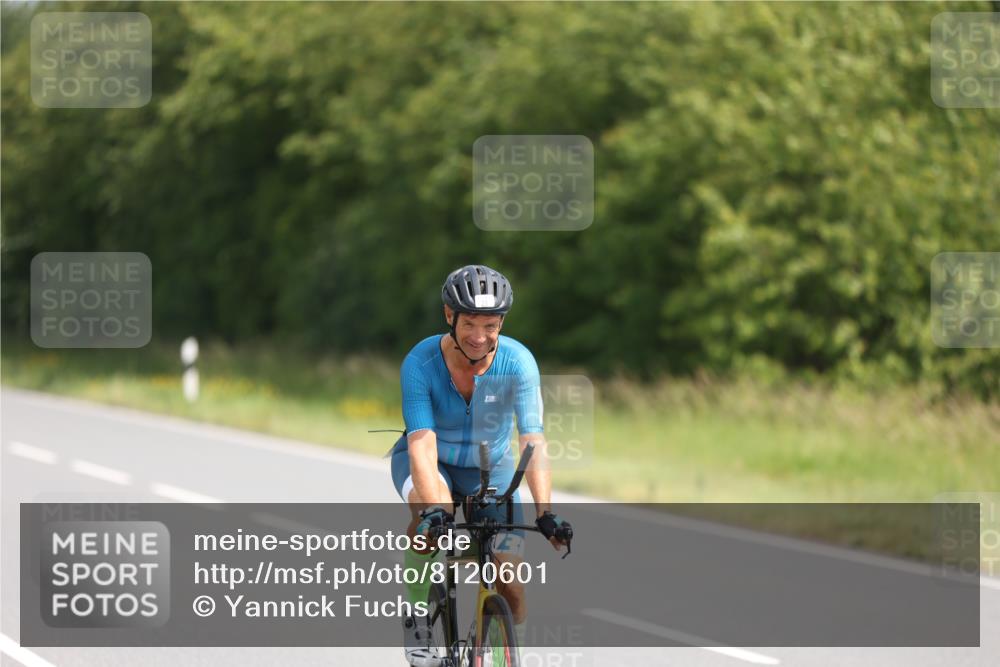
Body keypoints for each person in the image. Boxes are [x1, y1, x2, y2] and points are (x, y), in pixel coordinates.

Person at [390, 264, 572, 667]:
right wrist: (437, 511)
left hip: (492, 469)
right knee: (430, 508)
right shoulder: (419, 363)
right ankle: (418, 616)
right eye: (469, 322)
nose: (478, 336)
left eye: (490, 325)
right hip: (429, 459)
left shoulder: (518, 363)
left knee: (511, 583)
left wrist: (546, 513)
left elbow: (532, 439)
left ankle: (506, 657)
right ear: (449, 316)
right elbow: (422, 441)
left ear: (501, 323)